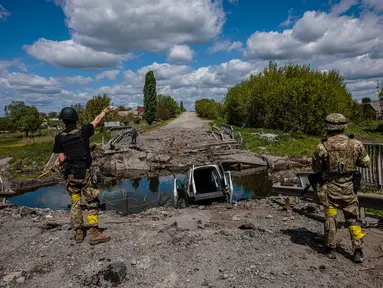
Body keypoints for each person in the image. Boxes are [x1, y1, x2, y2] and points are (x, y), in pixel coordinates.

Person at [312, 113, 371, 263]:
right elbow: (366, 163)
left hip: (330, 189)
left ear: (328, 126)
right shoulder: (356, 144)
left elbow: (316, 169)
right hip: (349, 189)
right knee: (353, 219)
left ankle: (331, 248)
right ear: (344, 126)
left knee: (331, 217)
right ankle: (357, 251)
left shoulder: (322, 146)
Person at [53, 106, 113, 245]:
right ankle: (94, 233)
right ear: (76, 118)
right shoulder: (84, 131)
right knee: (92, 202)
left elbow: (61, 159)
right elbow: (96, 120)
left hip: (71, 176)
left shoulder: (59, 137)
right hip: (85, 174)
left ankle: (79, 234)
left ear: (63, 120)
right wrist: (104, 111)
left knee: (75, 203)